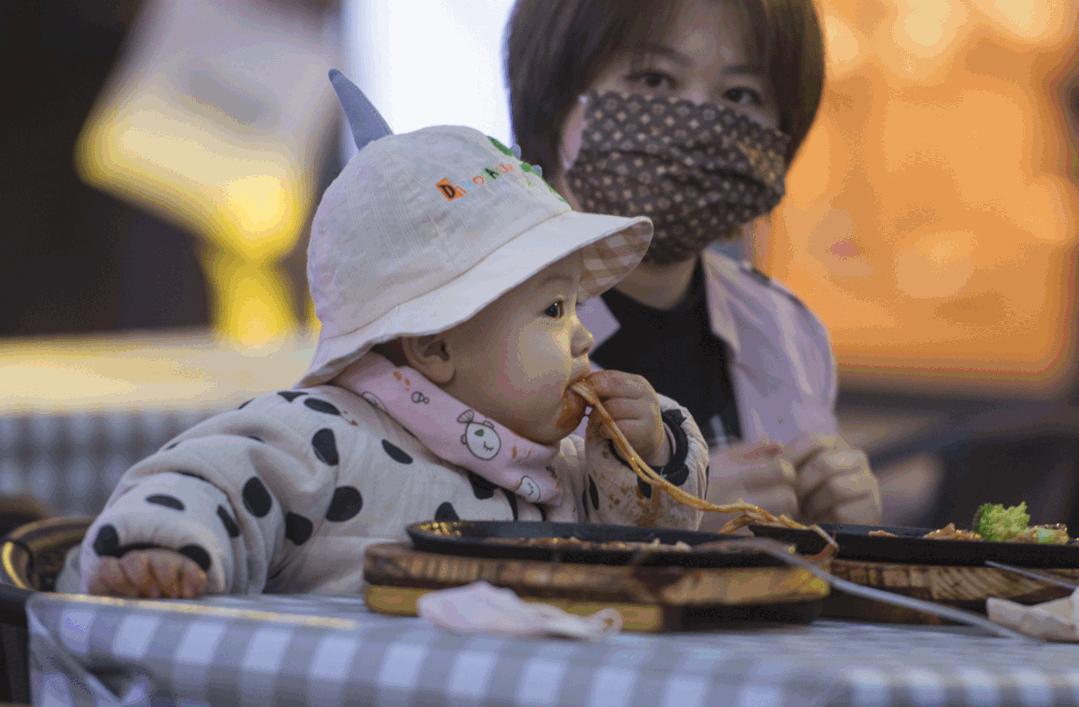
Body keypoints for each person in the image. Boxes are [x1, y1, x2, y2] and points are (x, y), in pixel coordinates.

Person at [70, 71, 708, 599]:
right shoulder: (325, 436)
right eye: (552, 311)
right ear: (434, 347)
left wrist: (644, 453)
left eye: (574, 307)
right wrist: (159, 550)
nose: (582, 337)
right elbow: (207, 478)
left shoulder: (566, 468)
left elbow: (648, 549)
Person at [504, 0, 881, 527]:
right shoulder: (482, 315)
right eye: (654, 80)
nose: (701, 122)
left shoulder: (788, 331)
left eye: (740, 95)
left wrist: (842, 524)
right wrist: (669, 506)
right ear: (556, 95)